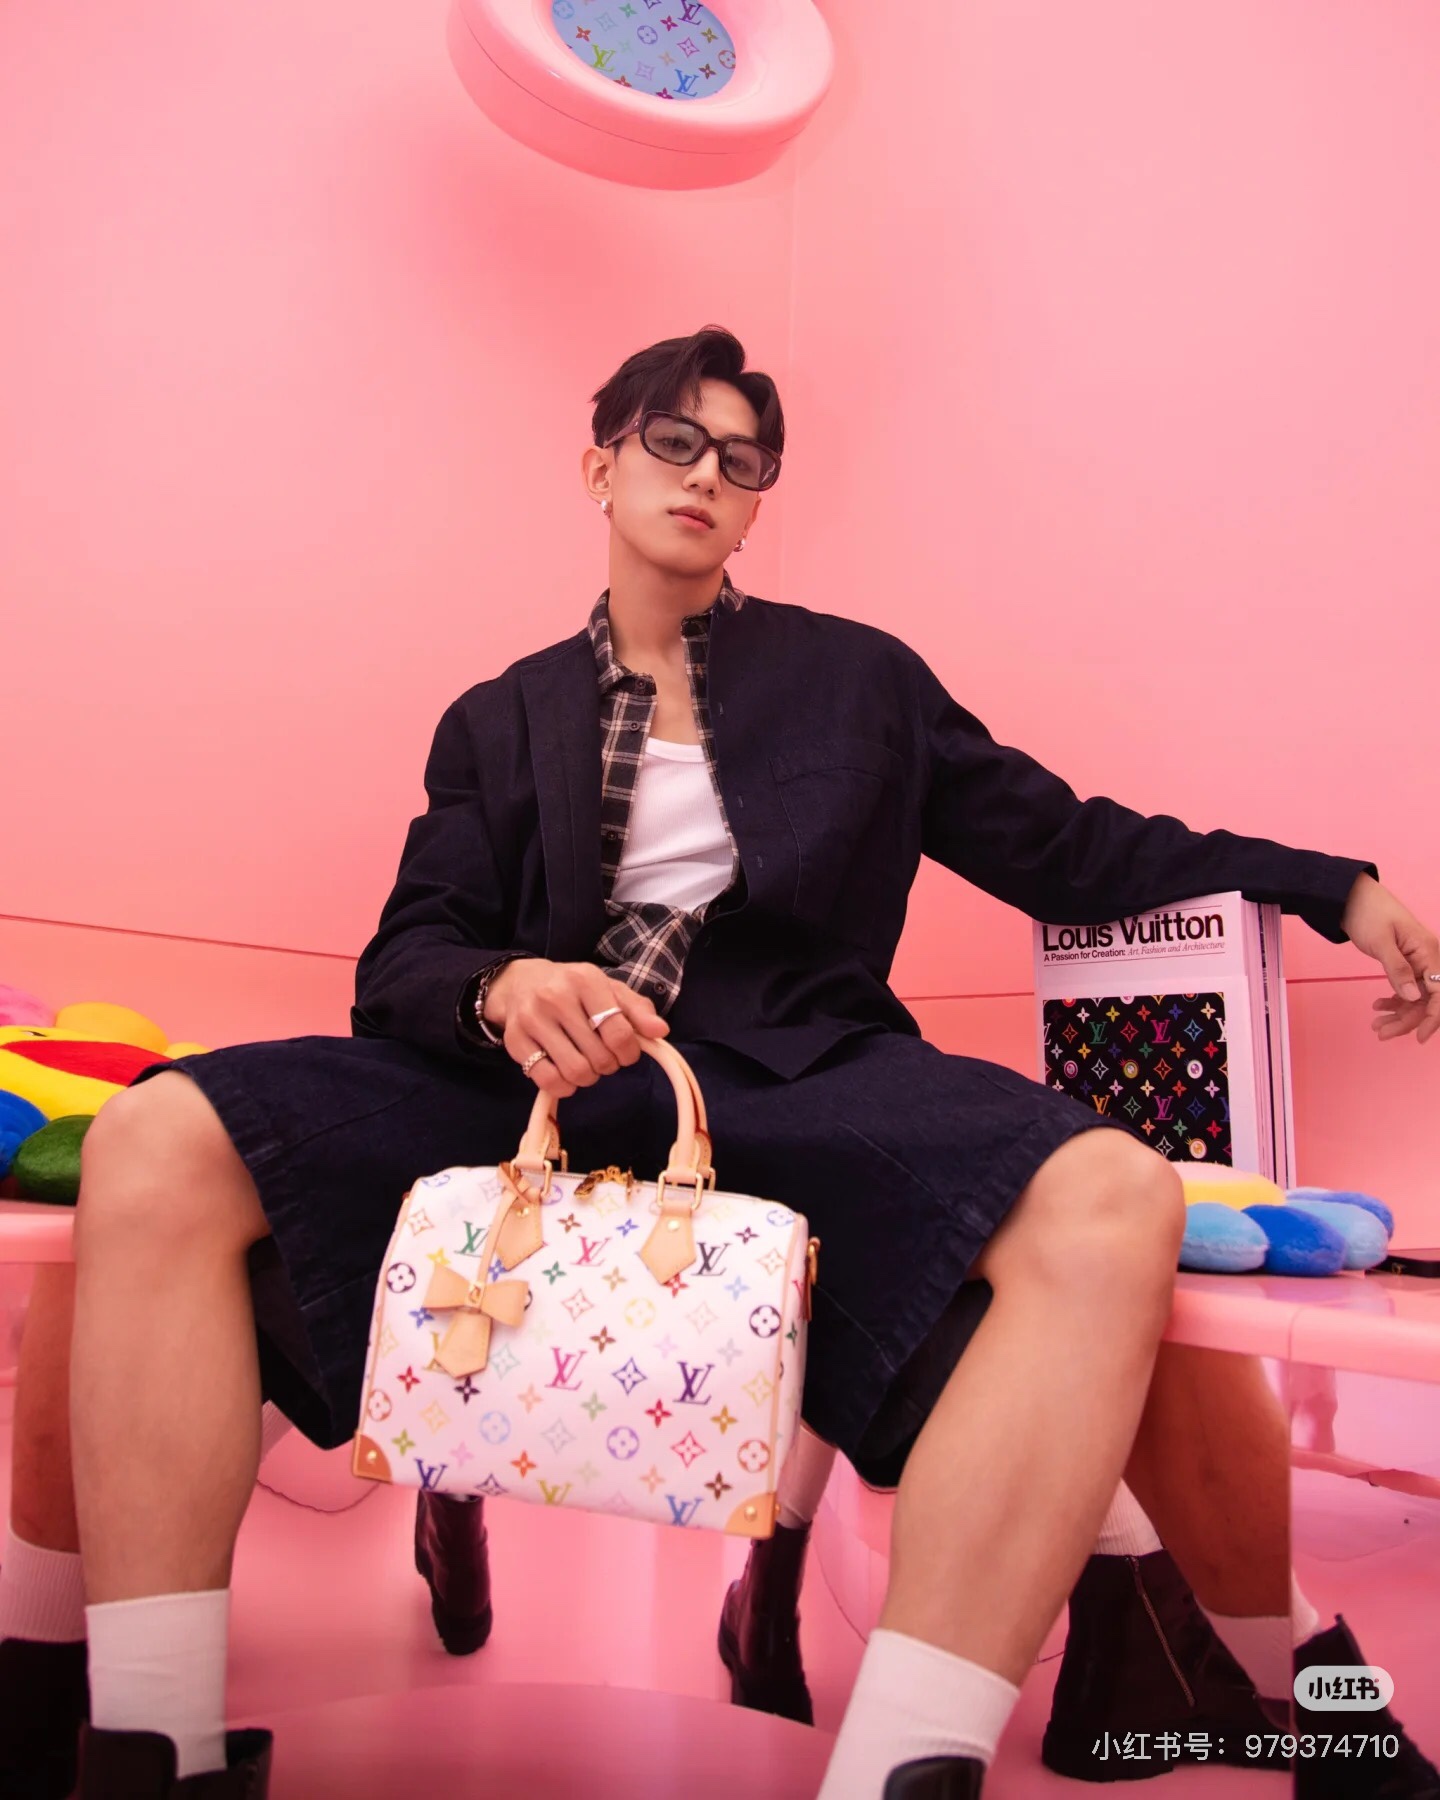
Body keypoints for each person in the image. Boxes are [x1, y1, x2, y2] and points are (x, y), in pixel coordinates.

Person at [2, 325, 1437, 1800]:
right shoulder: (497, 718)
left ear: (758, 503)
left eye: (741, 461)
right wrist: (503, 986)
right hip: (525, 1095)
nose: (704, 476)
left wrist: (1330, 885)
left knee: (1114, 1193)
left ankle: (908, 1773)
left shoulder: (864, 682)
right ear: (601, 467)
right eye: (674, 443)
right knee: (154, 1136)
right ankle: (150, 1752)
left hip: (801, 1083)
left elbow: (1074, 850)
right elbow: (407, 957)